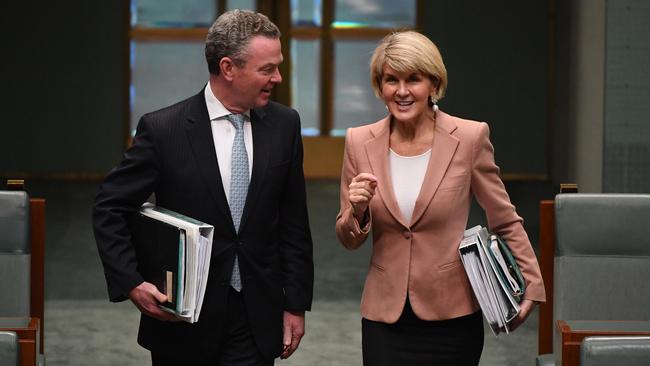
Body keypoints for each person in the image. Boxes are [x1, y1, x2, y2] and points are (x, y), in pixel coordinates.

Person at [93, 9, 313, 366]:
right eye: (267, 69)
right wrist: (132, 282)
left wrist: (295, 304)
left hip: (256, 317)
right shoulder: (164, 130)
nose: (278, 77)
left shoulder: (285, 125)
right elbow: (109, 207)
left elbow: (294, 225)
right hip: (182, 320)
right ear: (228, 68)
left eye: (278, 65)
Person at [335, 30, 545, 365]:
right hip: (384, 317)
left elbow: (503, 218)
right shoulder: (359, 141)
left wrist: (531, 283)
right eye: (391, 80)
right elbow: (348, 238)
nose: (402, 91)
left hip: (452, 315)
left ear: (434, 84)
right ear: (380, 86)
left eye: (413, 79)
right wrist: (357, 211)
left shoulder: (469, 137)